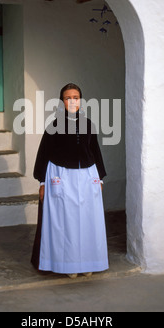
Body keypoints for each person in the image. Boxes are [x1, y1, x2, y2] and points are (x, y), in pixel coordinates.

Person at [31, 83, 109, 279]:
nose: (72, 101)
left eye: (76, 97)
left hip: (86, 177)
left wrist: (99, 177)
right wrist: (42, 182)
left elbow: (95, 151)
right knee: (66, 223)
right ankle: (68, 265)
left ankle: (88, 262)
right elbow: (44, 154)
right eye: (68, 98)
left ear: (80, 100)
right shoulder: (54, 125)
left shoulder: (89, 124)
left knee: (88, 221)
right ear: (62, 101)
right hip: (62, 176)